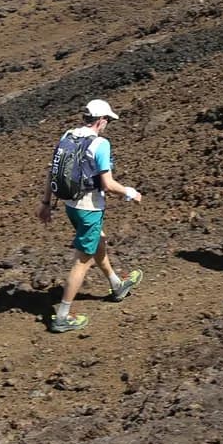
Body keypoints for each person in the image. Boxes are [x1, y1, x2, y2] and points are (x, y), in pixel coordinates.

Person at [37, 98, 144, 334]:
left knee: (99, 240)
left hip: (70, 205)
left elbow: (51, 172)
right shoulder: (100, 144)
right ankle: (62, 316)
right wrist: (130, 193)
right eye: (108, 120)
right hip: (89, 208)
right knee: (82, 262)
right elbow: (108, 184)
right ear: (101, 120)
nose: (107, 125)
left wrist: (45, 203)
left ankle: (117, 285)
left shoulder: (68, 136)